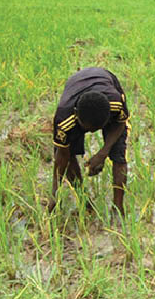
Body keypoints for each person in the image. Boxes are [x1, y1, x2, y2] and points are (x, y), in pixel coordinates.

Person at [51, 67, 130, 215]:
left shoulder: (116, 103)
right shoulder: (64, 120)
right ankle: (84, 202)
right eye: (88, 129)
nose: (92, 132)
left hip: (105, 78)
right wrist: (54, 194)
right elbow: (62, 157)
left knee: (119, 155)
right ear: (77, 116)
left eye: (98, 128)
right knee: (70, 153)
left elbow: (120, 123)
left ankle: (118, 209)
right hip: (75, 85)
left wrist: (103, 153)